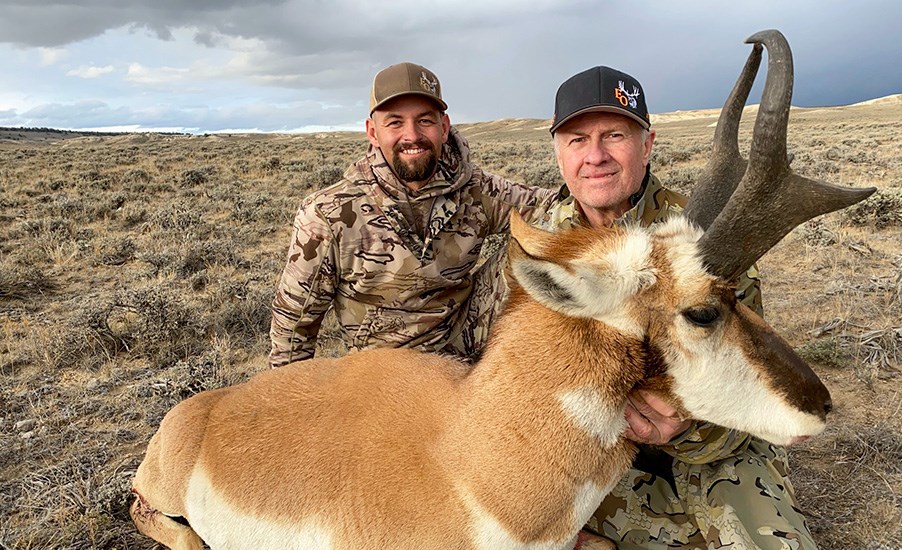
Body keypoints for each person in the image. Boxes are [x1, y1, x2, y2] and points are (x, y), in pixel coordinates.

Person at [541, 66, 816, 550]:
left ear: (647, 145)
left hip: (711, 451)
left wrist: (685, 428)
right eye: (578, 139)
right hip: (584, 451)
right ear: (558, 153)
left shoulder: (710, 234)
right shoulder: (538, 251)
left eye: (614, 136)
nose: (596, 156)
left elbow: (751, 391)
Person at [268, 62, 557, 368]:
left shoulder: (475, 189)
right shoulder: (329, 214)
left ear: (443, 128)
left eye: (424, 121)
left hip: (465, 343)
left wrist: (572, 139)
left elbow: (553, 208)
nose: (412, 135)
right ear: (372, 132)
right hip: (381, 371)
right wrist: (288, 404)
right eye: (395, 123)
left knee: (528, 252)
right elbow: (294, 323)